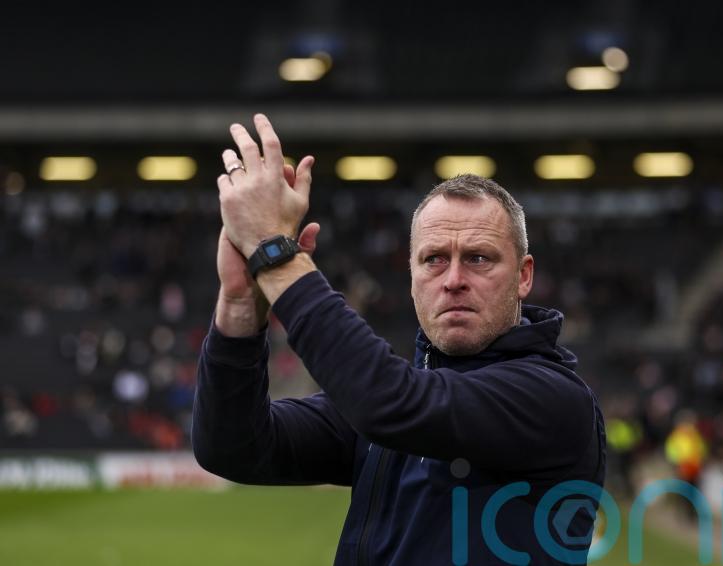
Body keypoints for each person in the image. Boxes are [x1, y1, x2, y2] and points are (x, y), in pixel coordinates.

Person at [192, 113, 606, 565]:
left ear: (524, 276)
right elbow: (232, 448)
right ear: (410, 276)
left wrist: (274, 252)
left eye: (479, 258)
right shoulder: (399, 404)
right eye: (433, 259)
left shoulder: (552, 398)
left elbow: (391, 403)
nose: (453, 279)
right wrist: (239, 304)